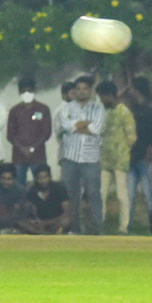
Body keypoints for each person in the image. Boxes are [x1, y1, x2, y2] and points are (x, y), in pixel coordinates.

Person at [56, 74, 105, 235]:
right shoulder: (66, 108)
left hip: (90, 159)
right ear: (74, 91)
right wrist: (86, 126)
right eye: (78, 89)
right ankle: (74, 229)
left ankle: (97, 228)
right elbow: (66, 126)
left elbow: (96, 129)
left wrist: (76, 126)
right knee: (70, 196)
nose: (81, 92)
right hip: (70, 158)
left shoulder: (98, 108)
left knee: (93, 194)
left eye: (85, 89)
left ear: (90, 91)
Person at [96, 81, 137, 235]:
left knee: (122, 195)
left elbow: (132, 137)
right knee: (101, 194)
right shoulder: (104, 112)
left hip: (120, 160)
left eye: (102, 97)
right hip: (105, 160)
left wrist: (121, 149)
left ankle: (124, 227)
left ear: (109, 95)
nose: (100, 100)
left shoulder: (124, 112)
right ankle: (99, 225)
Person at [124, 76, 152, 233]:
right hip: (139, 157)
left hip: (140, 157)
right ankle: (151, 227)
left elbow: (151, 138)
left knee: (138, 196)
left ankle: (130, 226)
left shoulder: (136, 112)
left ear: (136, 90)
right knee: (143, 196)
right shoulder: (148, 111)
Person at [6, 77, 52, 185]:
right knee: (18, 185)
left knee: (42, 184)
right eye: (23, 91)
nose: (27, 93)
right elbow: (10, 134)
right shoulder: (14, 111)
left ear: (34, 91)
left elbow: (46, 133)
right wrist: (22, 148)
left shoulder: (42, 109)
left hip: (38, 154)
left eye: (30, 90)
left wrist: (32, 148)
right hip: (19, 155)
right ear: (19, 92)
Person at [20, 165, 69, 235]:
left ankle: (45, 234)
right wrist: (38, 222)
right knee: (22, 223)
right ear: (36, 179)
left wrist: (50, 222)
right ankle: (44, 233)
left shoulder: (59, 188)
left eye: (45, 177)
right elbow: (33, 215)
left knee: (66, 221)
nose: (42, 181)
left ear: (50, 177)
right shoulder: (31, 190)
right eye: (39, 178)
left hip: (56, 221)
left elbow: (66, 212)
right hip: (39, 223)